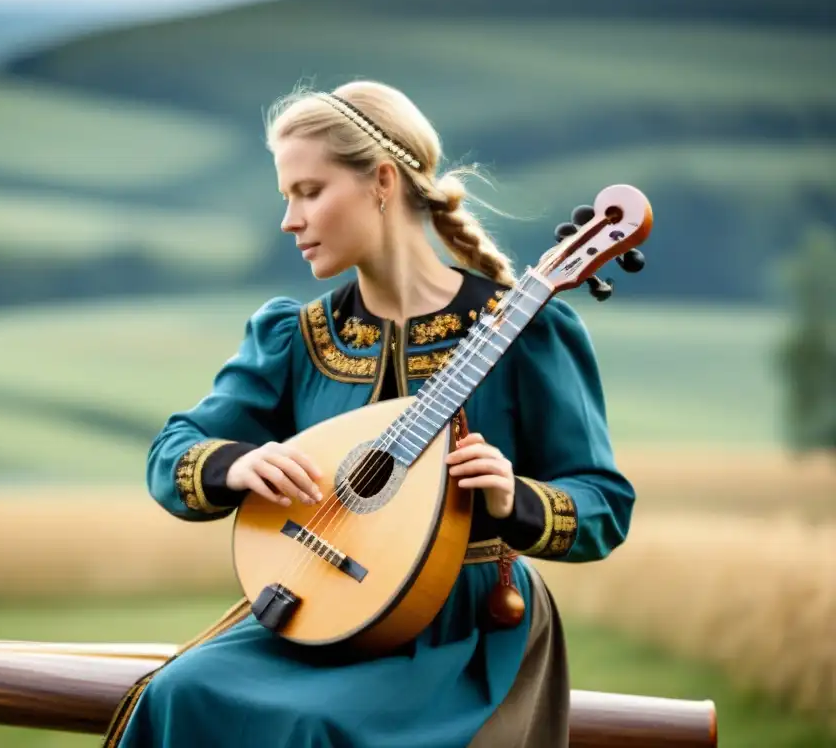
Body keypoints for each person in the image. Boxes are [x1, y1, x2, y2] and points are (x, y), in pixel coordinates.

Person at [102, 80, 635, 748]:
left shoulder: (528, 329)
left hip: (463, 637)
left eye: (308, 192)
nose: (289, 220)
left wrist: (513, 497)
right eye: (285, 197)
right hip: (320, 609)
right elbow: (172, 453)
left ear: (382, 182)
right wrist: (240, 463)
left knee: (313, 727)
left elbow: (604, 505)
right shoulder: (294, 336)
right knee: (175, 693)